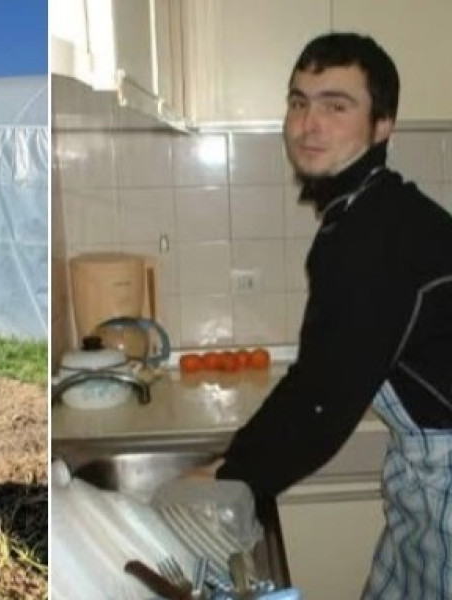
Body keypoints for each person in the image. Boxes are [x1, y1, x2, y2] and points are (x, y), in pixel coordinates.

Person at [193, 33, 452, 597]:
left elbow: (322, 398)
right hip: (427, 481)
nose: (308, 124)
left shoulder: (378, 234)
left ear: (382, 125)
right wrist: (234, 463)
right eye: (298, 102)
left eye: (336, 106)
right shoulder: (367, 214)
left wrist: (230, 475)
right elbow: (324, 371)